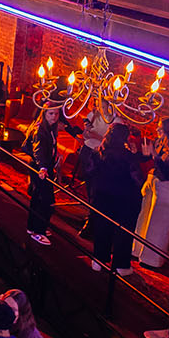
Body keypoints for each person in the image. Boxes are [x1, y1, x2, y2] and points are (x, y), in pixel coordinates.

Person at [132, 117, 169, 271]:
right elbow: (148, 159)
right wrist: (138, 153)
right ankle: (137, 250)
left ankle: (152, 260)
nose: (157, 130)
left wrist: (155, 156)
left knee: (158, 225)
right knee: (144, 219)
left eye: (160, 128)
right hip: (154, 183)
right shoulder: (159, 142)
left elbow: (168, 172)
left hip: (168, 187)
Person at [86, 122, 144, 273]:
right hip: (123, 200)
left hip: (102, 197)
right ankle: (121, 265)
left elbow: (89, 172)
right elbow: (138, 180)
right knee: (123, 232)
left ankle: (99, 260)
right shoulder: (128, 157)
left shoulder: (98, 153)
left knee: (101, 229)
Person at [21, 106, 75, 244]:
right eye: (51, 113)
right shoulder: (40, 130)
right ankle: (38, 231)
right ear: (44, 114)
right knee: (47, 201)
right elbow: (38, 150)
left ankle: (32, 227)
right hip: (40, 168)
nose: (54, 117)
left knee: (37, 197)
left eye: (56, 114)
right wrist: (43, 167)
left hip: (42, 167)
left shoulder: (50, 128)